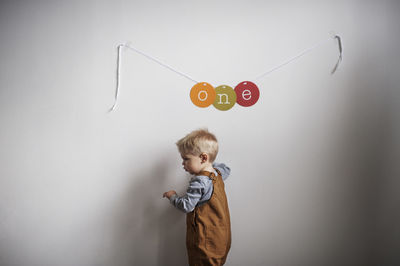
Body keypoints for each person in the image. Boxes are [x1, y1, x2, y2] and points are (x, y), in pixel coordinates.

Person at [163, 128, 231, 266]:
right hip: (221, 238)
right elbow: (227, 169)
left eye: (186, 159)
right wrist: (210, 164)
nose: (183, 164)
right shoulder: (218, 173)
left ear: (203, 158)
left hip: (204, 242)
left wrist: (173, 196)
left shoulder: (199, 182)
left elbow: (187, 206)